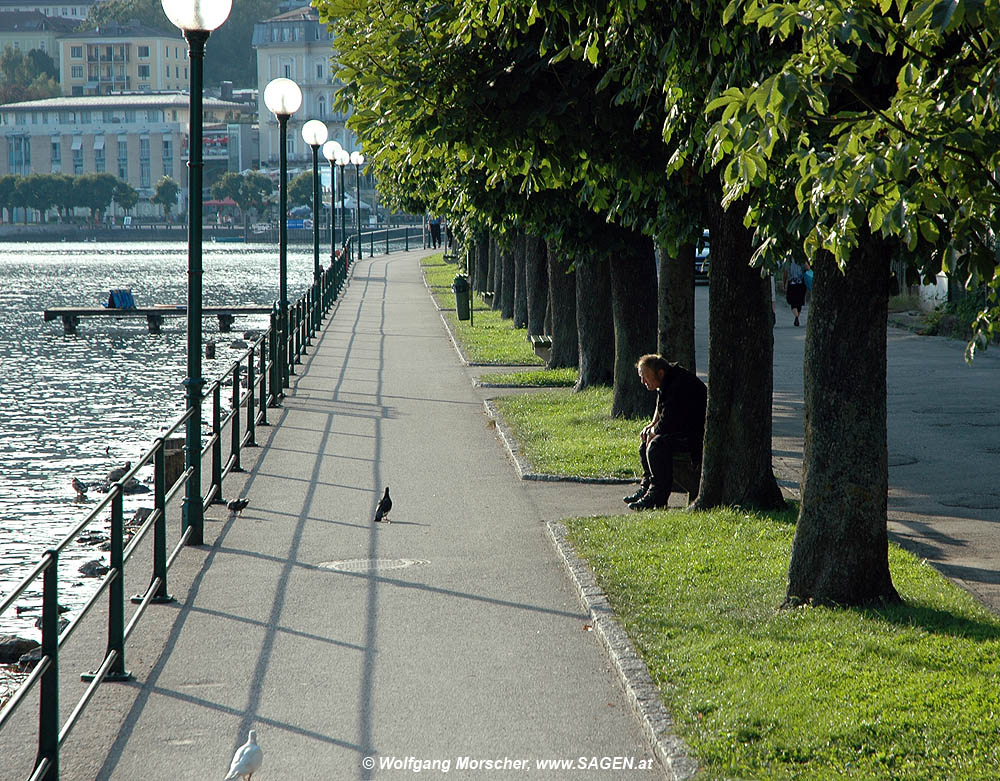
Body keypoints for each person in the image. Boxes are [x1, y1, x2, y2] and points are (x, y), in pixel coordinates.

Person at [624, 354, 708, 510]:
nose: (643, 382)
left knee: (656, 446)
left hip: (695, 437)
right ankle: (647, 487)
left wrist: (654, 431)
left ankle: (657, 497)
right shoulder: (668, 379)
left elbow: (668, 421)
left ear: (660, 373)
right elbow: (660, 402)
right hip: (681, 430)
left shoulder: (678, 384)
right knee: (645, 444)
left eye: (645, 377)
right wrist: (651, 426)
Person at [783, 258, 808, 326]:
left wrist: (784, 283)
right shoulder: (802, 259)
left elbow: (785, 272)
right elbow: (807, 269)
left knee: (792, 302)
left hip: (792, 283)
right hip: (801, 283)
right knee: (799, 302)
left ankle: (796, 316)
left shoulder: (788, 260)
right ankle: (797, 316)